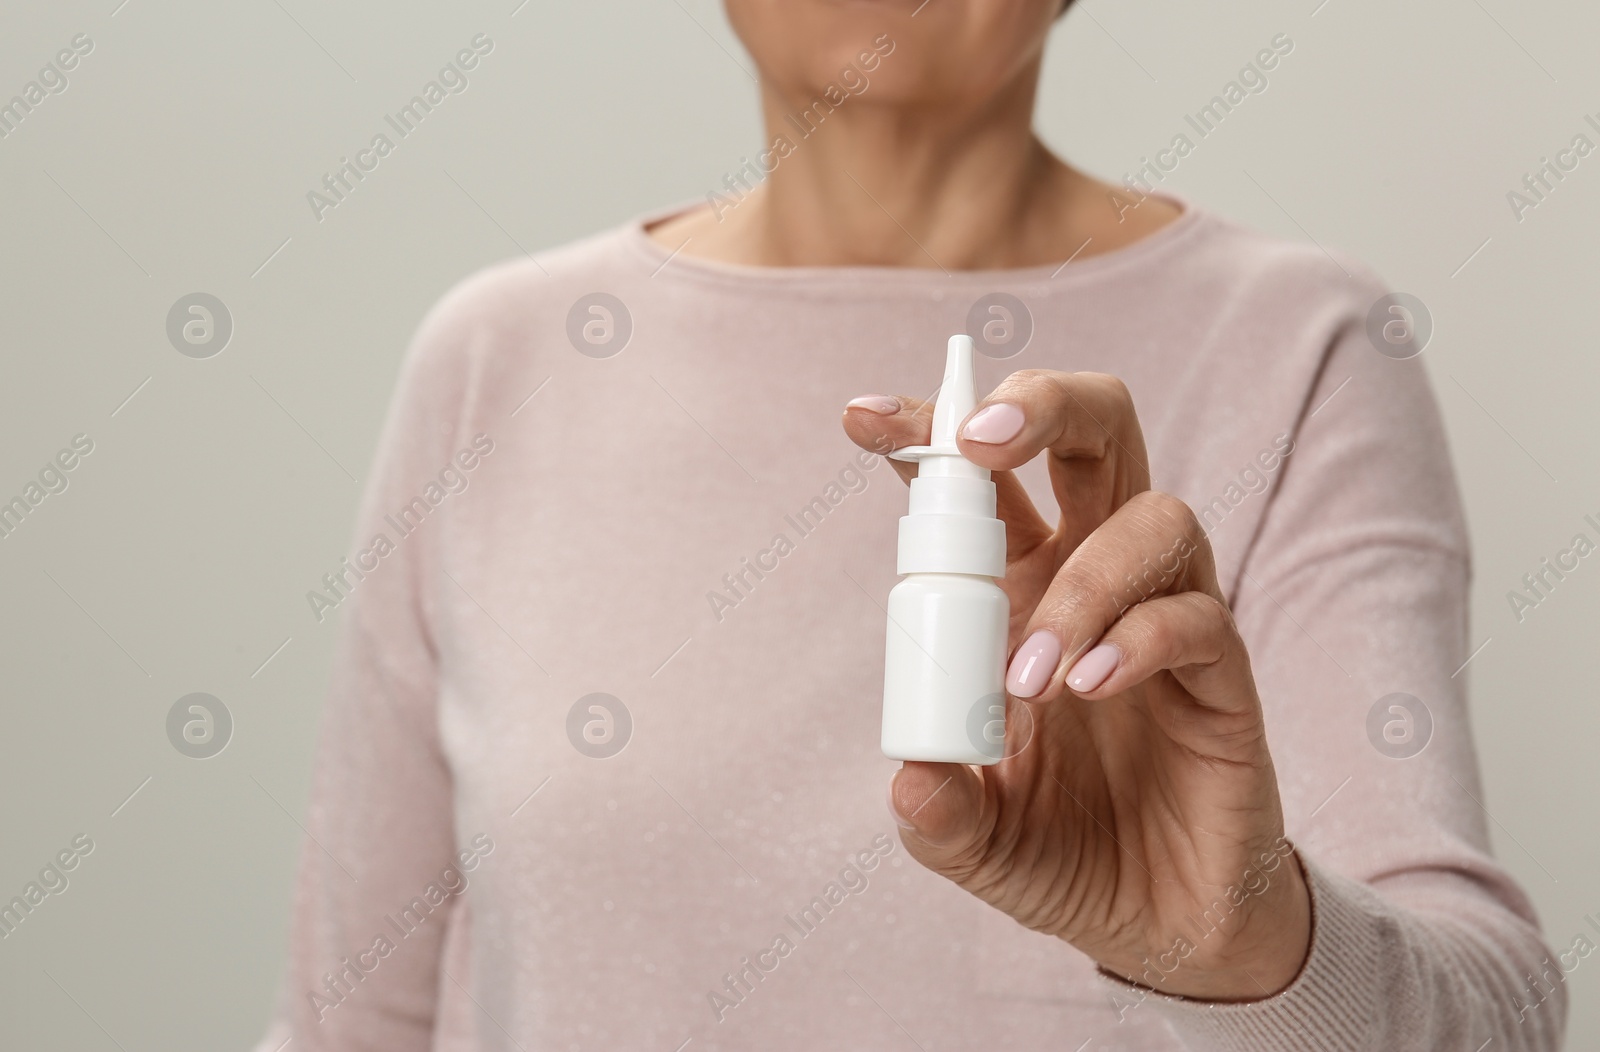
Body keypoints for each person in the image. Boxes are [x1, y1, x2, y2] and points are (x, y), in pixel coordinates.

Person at [254, 2, 1566, 1049]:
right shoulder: (499, 359)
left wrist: (1250, 948)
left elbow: (1499, 1022)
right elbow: (349, 1023)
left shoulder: (1300, 348)